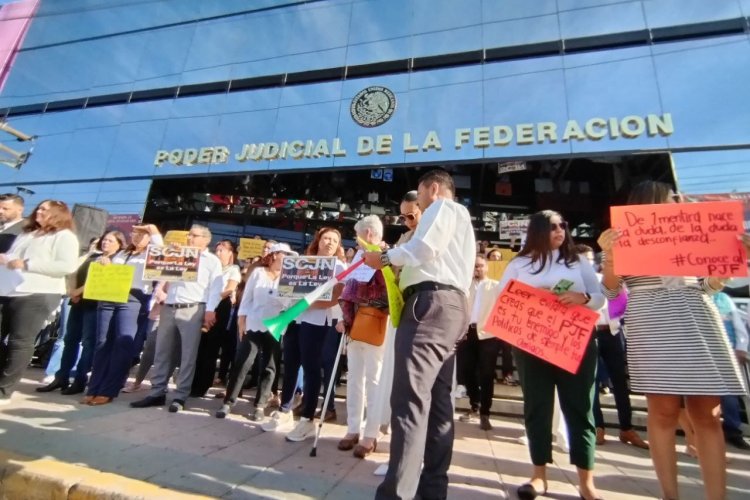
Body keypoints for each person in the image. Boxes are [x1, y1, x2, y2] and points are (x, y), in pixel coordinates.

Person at [597, 180, 749, 500]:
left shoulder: (695, 231)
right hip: (652, 324)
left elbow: (708, 286)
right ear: (650, 201)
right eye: (670, 198)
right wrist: (610, 256)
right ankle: (670, 495)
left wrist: (733, 260)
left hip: (698, 317)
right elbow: (611, 291)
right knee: (662, 410)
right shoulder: (624, 236)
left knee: (708, 413)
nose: (676, 202)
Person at [363, 169, 475, 500]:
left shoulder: (442, 207)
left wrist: (382, 257)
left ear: (433, 188)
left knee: (410, 399)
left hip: (429, 305)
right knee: (438, 402)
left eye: (420, 195)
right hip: (452, 307)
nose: (419, 204)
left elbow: (424, 249)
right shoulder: (462, 221)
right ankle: (432, 489)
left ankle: (397, 493)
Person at [495, 210, 603, 500]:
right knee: (537, 407)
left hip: (574, 342)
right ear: (538, 231)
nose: (560, 231)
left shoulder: (578, 261)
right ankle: (538, 475)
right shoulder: (520, 263)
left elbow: (600, 296)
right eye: (553, 226)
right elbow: (501, 298)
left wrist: (583, 299)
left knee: (580, 408)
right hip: (531, 345)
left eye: (563, 226)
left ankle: (586, 482)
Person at [130, 224, 223, 413]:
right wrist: (155, 234)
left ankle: (180, 395)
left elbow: (216, 287)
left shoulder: (212, 261)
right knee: (162, 352)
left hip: (193, 308)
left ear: (206, 240)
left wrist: (210, 310)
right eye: (189, 235)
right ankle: (157, 392)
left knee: (188, 355)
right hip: (169, 307)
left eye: (194, 236)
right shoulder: (178, 254)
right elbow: (158, 254)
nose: (189, 238)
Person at [0, 200, 79, 404]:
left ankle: (4, 390)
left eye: (45, 209)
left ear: (58, 214)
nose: (40, 211)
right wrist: (6, 259)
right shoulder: (27, 233)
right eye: (39, 208)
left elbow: (67, 266)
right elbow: (13, 259)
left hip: (39, 292)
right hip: (11, 289)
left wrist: (28, 264)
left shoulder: (64, 236)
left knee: (20, 341)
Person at [577, 244, 649, 450]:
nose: (588, 263)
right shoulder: (573, 284)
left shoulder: (608, 280)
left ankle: (627, 427)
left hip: (613, 334)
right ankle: (598, 426)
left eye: (590, 259)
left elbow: (624, 306)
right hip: (588, 335)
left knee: (620, 381)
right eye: (583, 260)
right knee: (592, 382)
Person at [37, 231, 125, 396]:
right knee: (70, 339)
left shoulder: (117, 261)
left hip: (95, 304)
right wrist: (72, 290)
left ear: (119, 244)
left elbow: (102, 280)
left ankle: (80, 379)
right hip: (77, 302)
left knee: (87, 343)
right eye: (104, 239)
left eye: (110, 240)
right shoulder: (93, 256)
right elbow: (74, 272)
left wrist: (78, 291)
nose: (105, 242)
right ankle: (61, 377)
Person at [216, 242, 297, 421]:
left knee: (270, 366)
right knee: (243, 362)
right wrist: (241, 319)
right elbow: (247, 298)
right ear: (275, 255)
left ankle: (260, 404)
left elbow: (291, 304)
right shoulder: (258, 273)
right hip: (254, 322)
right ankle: (229, 401)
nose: (288, 259)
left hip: (276, 326)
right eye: (285, 254)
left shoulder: (290, 277)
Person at [83, 225, 163, 405]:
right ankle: (94, 387)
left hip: (133, 299)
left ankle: (108, 389)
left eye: (143, 234)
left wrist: (154, 231)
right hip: (109, 296)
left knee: (122, 344)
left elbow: (163, 254)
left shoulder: (151, 255)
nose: (137, 236)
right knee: (102, 342)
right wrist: (105, 266)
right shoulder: (122, 253)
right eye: (135, 233)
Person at [283, 227, 346, 442]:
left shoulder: (338, 266)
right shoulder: (304, 261)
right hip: (294, 320)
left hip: (317, 321)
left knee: (311, 368)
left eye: (335, 240)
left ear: (339, 246)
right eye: (326, 238)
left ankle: (307, 418)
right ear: (318, 240)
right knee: (290, 364)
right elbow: (288, 289)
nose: (329, 243)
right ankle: (284, 411)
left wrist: (307, 305)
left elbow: (337, 296)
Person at [335, 215, 389, 458]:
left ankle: (371, 432)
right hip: (354, 322)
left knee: (374, 379)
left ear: (367, 234)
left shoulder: (388, 255)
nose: (356, 243)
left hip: (376, 320)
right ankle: (353, 428)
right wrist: (343, 317)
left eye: (358, 237)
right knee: (355, 376)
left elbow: (387, 291)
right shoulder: (359, 257)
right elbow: (347, 288)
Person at [191, 240, 241, 397]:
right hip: (204, 305)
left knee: (211, 347)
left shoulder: (233, 269)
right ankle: (192, 382)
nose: (218, 253)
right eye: (217, 250)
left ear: (230, 253)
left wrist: (214, 297)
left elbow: (230, 289)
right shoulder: (210, 266)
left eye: (222, 250)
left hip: (220, 307)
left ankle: (203, 385)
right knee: (198, 346)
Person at [457, 254, 501, 431]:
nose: (477, 269)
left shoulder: (496, 286)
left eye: (481, 266)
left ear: (487, 267)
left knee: (486, 374)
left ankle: (485, 412)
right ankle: (475, 403)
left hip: (488, 334)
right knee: (466, 371)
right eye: (475, 266)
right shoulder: (464, 285)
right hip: (467, 332)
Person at [712, 292, 750, 450]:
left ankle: (732, 430)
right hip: (701, 354)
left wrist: (741, 348)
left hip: (727, 353)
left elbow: (739, 327)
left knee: (729, 394)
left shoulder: (724, 299)